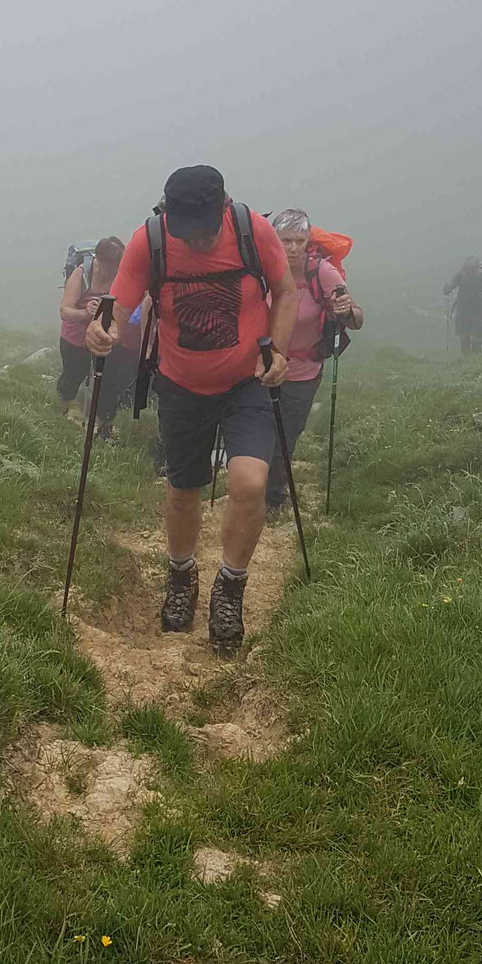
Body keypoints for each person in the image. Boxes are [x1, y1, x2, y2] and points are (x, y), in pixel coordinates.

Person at [87, 165, 297, 650]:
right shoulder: (152, 240)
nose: (198, 242)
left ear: (224, 209)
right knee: (185, 490)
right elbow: (118, 304)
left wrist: (279, 350)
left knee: (250, 482)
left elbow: (286, 290)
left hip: (247, 381)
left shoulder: (252, 231)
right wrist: (104, 330)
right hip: (180, 385)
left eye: (204, 232)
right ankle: (181, 575)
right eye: (189, 233)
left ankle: (230, 586)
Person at [266, 209, 364, 517]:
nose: (292, 248)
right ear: (274, 240)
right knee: (259, 431)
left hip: (304, 371)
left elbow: (357, 319)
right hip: (262, 369)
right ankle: (255, 489)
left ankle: (272, 496)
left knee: (286, 435)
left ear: (308, 241)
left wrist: (346, 309)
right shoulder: (261, 271)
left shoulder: (321, 272)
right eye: (285, 241)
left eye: (298, 240)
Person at [56, 237, 124, 415]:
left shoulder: (119, 275)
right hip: (75, 338)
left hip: (103, 335)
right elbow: (64, 311)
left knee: (108, 378)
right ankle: (65, 406)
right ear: (98, 261)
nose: (114, 272)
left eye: (117, 267)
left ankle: (104, 420)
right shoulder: (81, 274)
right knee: (74, 373)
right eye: (111, 267)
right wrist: (86, 313)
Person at [444, 257, 482, 355]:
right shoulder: (461, 275)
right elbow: (452, 284)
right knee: (464, 339)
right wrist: (447, 288)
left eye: (471, 268)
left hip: (479, 311)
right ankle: (468, 361)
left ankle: (475, 359)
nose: (469, 271)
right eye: (468, 268)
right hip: (463, 311)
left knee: (475, 339)